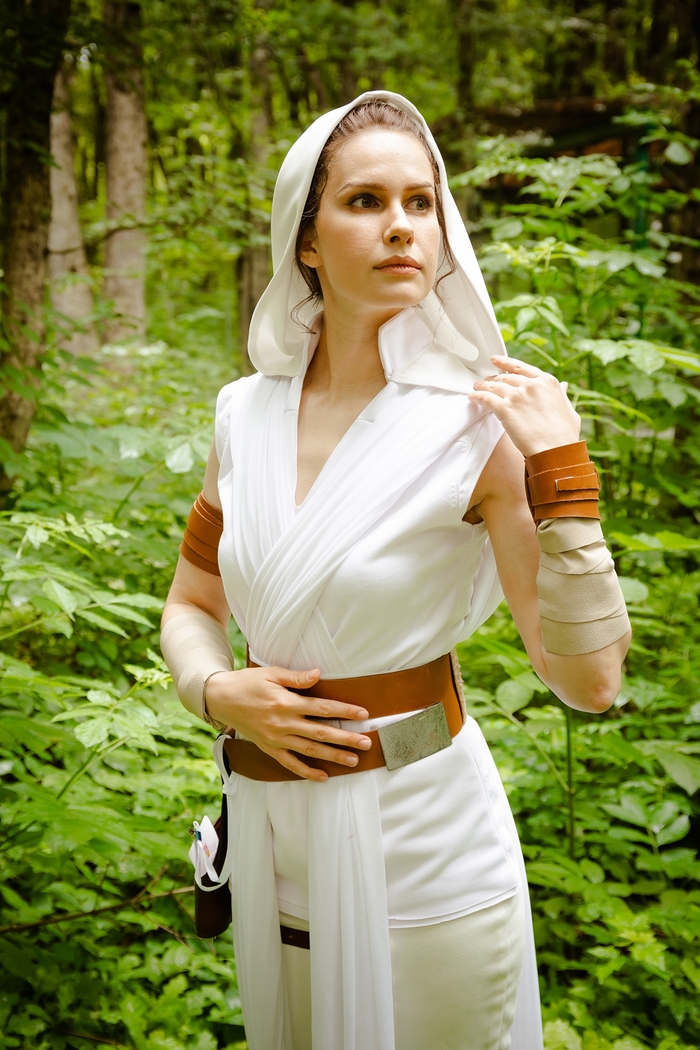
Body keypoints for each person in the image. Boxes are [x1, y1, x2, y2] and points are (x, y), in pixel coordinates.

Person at [160, 91, 631, 1050]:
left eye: (421, 202)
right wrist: (213, 691)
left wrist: (562, 474)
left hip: (428, 853)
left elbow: (588, 681)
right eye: (365, 201)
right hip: (274, 844)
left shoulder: (479, 426)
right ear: (305, 238)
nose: (402, 226)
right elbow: (192, 602)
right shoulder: (243, 416)